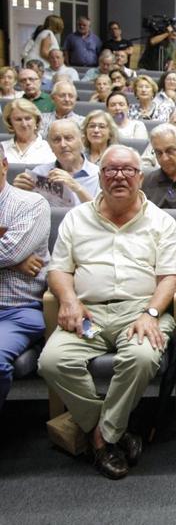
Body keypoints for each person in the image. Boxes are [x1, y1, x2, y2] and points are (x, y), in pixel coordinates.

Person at [38, 144, 176, 479]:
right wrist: (69, 300)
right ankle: (111, 430)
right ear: (99, 176)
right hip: (88, 312)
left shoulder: (161, 222)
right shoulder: (76, 218)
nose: (119, 176)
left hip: (141, 310)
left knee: (143, 357)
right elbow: (58, 270)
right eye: (110, 170)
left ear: (140, 177)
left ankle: (101, 438)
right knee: (52, 362)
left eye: (127, 170)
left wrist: (151, 314)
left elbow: (168, 279)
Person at [0, 144, 50, 412]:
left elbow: (9, 251)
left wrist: (14, 258)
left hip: (17, 309)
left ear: (5, 164)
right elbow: (9, 254)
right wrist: (15, 262)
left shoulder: (30, 203)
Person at [13, 119, 100, 205]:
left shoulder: (98, 175)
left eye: (68, 138)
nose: (63, 145)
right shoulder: (40, 173)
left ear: (82, 140)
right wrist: (17, 192)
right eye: (57, 140)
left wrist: (77, 188)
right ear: (50, 146)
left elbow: (101, 215)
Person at [1, 98, 55, 164]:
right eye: (18, 119)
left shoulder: (50, 148)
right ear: (10, 122)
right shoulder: (2, 148)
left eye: (28, 118)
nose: (24, 124)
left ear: (36, 120)